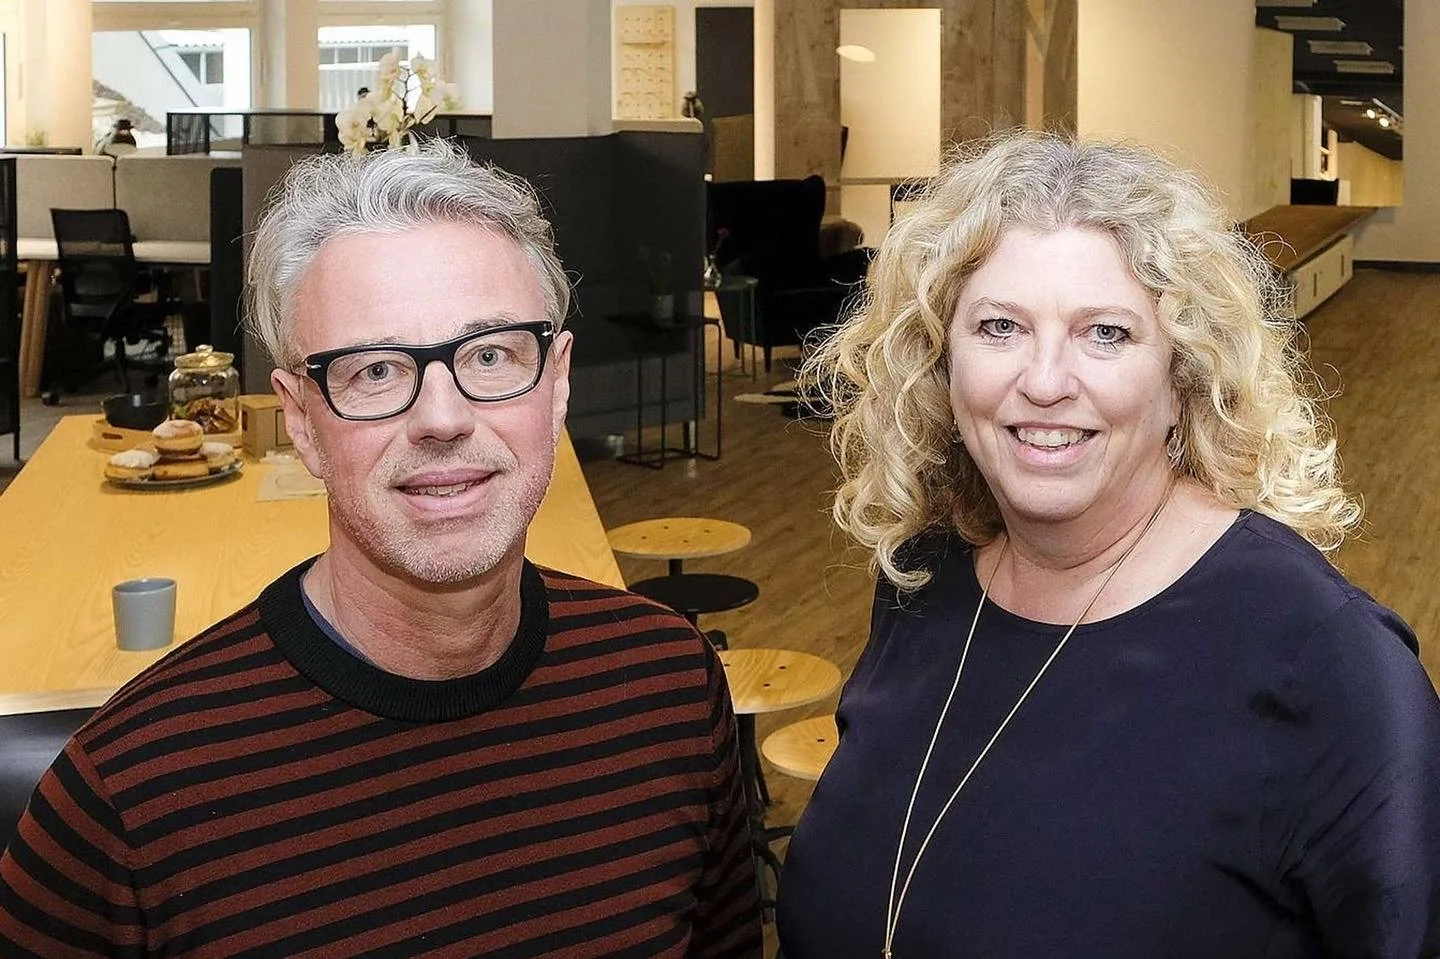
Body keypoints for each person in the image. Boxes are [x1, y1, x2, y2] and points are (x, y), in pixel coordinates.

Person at [0, 139, 761, 957]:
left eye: (491, 354)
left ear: (558, 381)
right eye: (374, 371)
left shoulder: (671, 691)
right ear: (299, 419)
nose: (442, 417)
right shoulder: (124, 802)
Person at [778, 131, 1440, 957]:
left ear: (1183, 377)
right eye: (999, 326)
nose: (1045, 381)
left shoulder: (1323, 656)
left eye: (1106, 334)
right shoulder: (923, 579)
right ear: (940, 362)